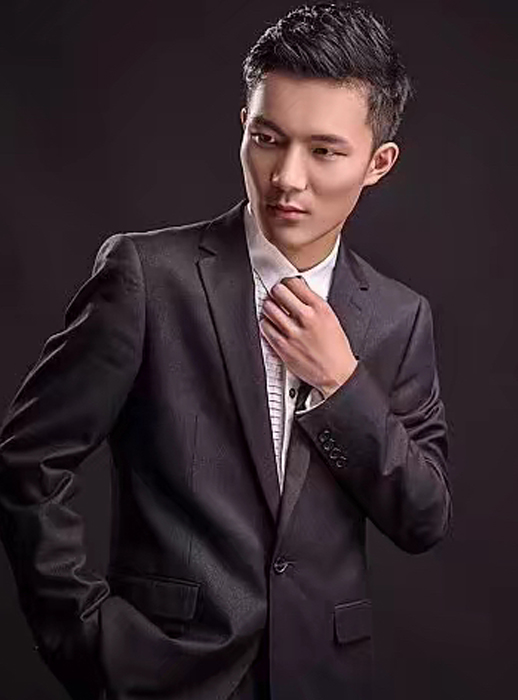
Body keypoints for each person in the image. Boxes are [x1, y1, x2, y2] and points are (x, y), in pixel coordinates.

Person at [0, 2, 451, 699]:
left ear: (377, 163)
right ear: (244, 125)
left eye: (324, 151)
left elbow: (424, 517)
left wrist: (341, 383)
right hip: (164, 677)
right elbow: (29, 460)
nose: (287, 178)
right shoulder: (148, 279)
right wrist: (87, 639)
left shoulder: (399, 317)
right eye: (268, 138)